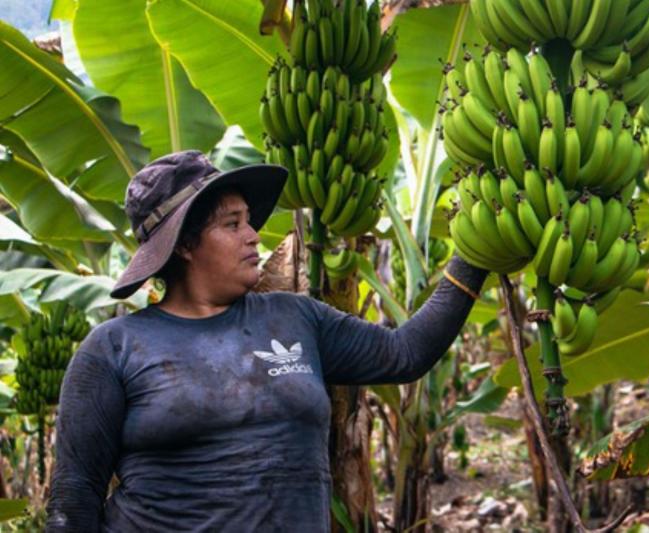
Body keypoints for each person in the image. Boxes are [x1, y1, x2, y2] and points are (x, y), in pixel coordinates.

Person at [46, 150, 488, 531]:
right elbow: (74, 496)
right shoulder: (113, 348)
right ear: (183, 246)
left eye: (249, 221)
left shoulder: (295, 316)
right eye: (232, 223)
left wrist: (478, 246)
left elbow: (405, 354)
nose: (253, 235)